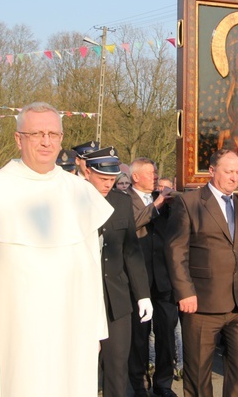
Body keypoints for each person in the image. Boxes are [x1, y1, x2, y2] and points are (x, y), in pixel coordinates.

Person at [0, 102, 114, 396]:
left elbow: (90, 270)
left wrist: (95, 330)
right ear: (19, 138)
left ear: (61, 139)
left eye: (53, 134)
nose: (46, 141)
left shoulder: (81, 193)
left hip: (70, 332)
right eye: (37, 134)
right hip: (9, 331)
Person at [165, 149, 238, 396]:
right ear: (212, 170)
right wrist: (184, 292)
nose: (234, 177)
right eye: (229, 171)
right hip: (201, 304)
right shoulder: (189, 202)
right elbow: (176, 252)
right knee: (198, 375)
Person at [80, 145, 153, 397]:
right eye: (102, 178)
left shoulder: (121, 203)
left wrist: (142, 294)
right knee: (81, 368)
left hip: (116, 299)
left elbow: (131, 252)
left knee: (116, 366)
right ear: (87, 172)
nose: (107, 185)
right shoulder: (71, 201)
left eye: (112, 179)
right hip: (82, 297)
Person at [128, 157, 177, 397]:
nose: (155, 176)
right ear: (136, 176)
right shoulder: (124, 199)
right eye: (150, 173)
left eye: (156, 172)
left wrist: (171, 199)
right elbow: (132, 224)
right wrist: (156, 205)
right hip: (139, 279)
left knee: (167, 334)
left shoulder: (165, 199)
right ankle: (138, 384)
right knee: (139, 337)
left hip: (164, 279)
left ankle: (164, 384)